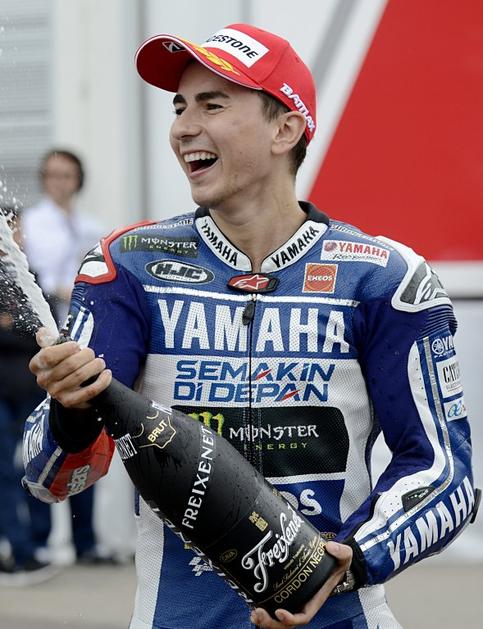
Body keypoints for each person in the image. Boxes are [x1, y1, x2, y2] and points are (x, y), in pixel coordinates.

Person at [23, 23, 478, 628]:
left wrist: (352, 558)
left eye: (212, 105)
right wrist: (72, 410)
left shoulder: (384, 277)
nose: (184, 127)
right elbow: (49, 477)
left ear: (284, 129)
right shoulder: (126, 266)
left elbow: (445, 471)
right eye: (179, 107)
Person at [21, 150, 109, 564]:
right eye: (53, 175)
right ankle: (39, 540)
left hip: (80, 343)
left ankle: (85, 540)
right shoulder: (32, 223)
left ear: (78, 180)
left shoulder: (91, 226)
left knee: (83, 439)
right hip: (41, 343)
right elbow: (33, 275)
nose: (60, 183)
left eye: (67, 175)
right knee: (42, 440)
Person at [0, 207, 56, 584]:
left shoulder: (26, 275)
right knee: (4, 471)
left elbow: (43, 331)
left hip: (31, 390)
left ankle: (39, 544)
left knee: (37, 467)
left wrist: (12, 328)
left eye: (15, 230)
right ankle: (18, 550)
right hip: (2, 394)